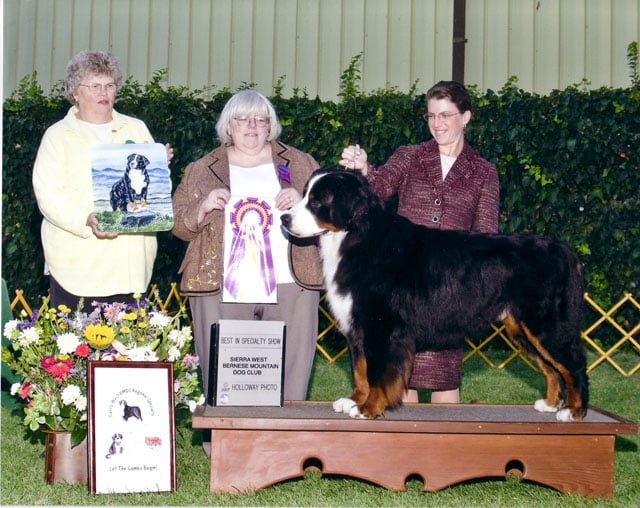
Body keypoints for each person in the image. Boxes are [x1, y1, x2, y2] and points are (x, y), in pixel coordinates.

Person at [339, 80, 499, 404]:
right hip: (403, 286)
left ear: (465, 116)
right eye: (431, 116)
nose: (437, 124)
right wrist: (363, 167)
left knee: (444, 383)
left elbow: (485, 235)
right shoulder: (409, 157)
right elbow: (379, 187)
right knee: (400, 378)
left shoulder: (484, 172)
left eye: (446, 115)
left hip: (447, 290)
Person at [172, 89, 323, 402]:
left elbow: (331, 216)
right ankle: (226, 441)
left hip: (291, 283)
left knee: (292, 371)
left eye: (260, 119)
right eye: (242, 119)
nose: (252, 126)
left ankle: (285, 442)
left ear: (271, 126)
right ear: (229, 126)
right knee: (225, 371)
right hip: (219, 285)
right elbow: (176, 224)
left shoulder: (299, 162)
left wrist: (304, 202)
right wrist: (201, 208)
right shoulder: (201, 169)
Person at [32, 50, 174, 311]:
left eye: (110, 85)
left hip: (129, 267)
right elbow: (48, 196)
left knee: (128, 351)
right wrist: (85, 219)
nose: (104, 92)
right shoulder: (57, 136)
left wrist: (158, 168)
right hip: (75, 266)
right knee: (74, 350)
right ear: (75, 92)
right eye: (95, 86)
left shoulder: (136, 128)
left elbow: (154, 195)